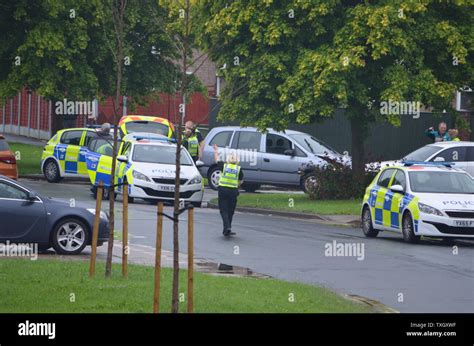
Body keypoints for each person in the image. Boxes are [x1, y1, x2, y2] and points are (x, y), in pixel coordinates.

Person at [213, 144, 243, 236]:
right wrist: (237, 186)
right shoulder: (238, 169)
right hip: (233, 191)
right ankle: (227, 228)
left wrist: (216, 150)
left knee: (223, 210)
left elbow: (217, 159)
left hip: (223, 190)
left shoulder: (224, 166)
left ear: (228, 159)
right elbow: (241, 181)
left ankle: (227, 227)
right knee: (231, 210)